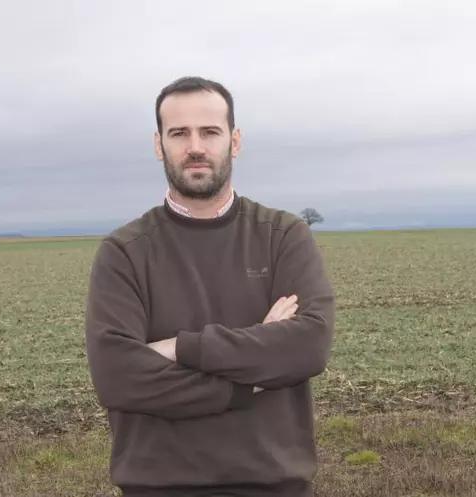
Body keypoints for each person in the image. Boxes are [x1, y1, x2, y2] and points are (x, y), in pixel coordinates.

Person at [84, 76, 335, 497]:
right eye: (179, 133)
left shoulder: (283, 236)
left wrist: (179, 348)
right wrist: (249, 379)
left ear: (234, 142)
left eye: (210, 132)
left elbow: (307, 346)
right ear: (158, 145)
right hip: (158, 487)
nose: (195, 146)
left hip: (274, 485)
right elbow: (118, 377)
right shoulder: (124, 252)